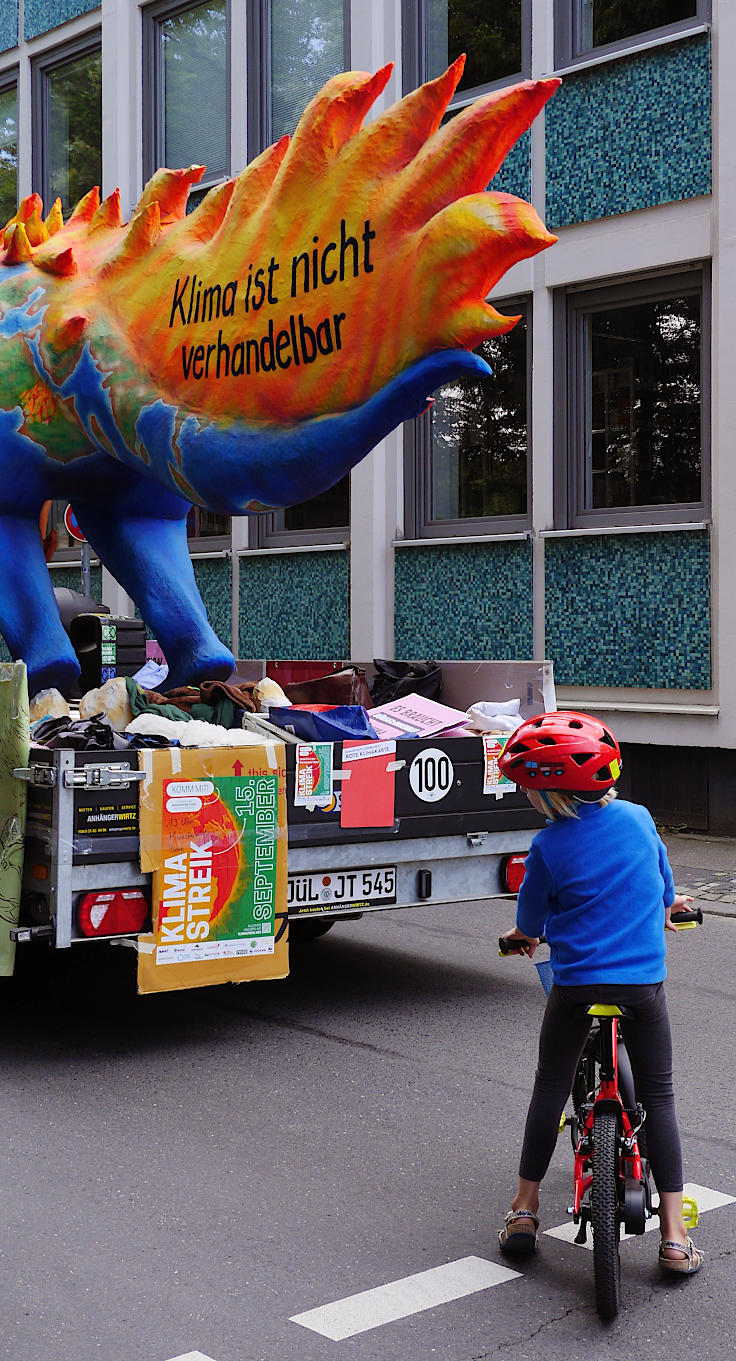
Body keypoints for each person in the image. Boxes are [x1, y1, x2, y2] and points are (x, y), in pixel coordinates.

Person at [496, 710, 703, 1276]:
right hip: (641, 986)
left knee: (550, 1087)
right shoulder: (639, 820)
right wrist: (668, 909)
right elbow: (663, 891)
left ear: (547, 792)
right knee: (659, 1099)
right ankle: (675, 1235)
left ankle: (523, 1208)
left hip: (577, 987)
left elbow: (531, 922)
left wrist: (519, 939)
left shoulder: (547, 847)